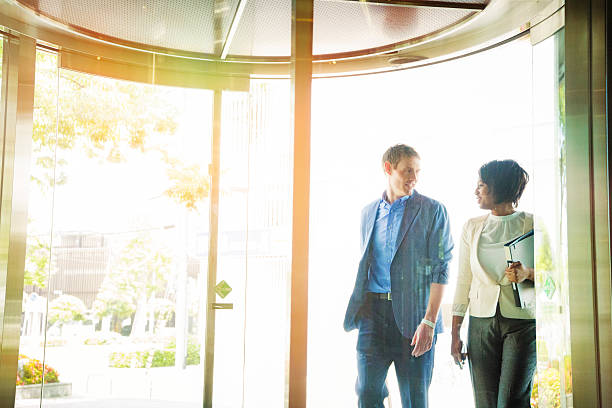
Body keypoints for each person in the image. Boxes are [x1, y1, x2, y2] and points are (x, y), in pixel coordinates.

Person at [344, 144, 453, 408]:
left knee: (415, 400)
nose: (413, 177)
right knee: (368, 394)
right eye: (407, 170)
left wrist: (429, 321)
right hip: (373, 314)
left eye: (417, 171)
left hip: (416, 318)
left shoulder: (432, 210)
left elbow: (442, 266)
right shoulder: (368, 212)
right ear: (388, 169)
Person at [450, 159, 536, 408]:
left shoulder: (532, 224)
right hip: (480, 324)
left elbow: (554, 277)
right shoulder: (472, 227)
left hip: (522, 323)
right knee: (485, 402)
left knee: (511, 401)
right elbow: (463, 279)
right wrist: (455, 332)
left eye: (481, 185)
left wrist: (527, 273)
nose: (476, 191)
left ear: (497, 188)